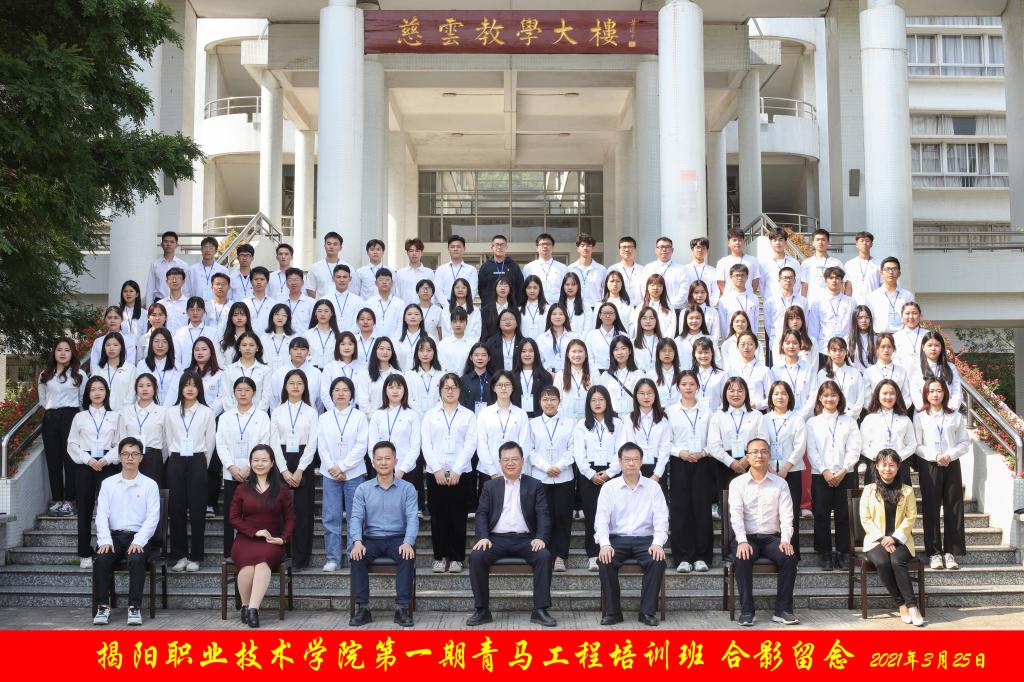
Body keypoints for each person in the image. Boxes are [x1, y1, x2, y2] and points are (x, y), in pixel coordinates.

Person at [466, 441, 556, 627]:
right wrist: (483, 537)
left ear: (522, 461)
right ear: (500, 462)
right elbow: (482, 514)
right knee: (476, 556)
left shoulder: (535, 485)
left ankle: (540, 610)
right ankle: (482, 610)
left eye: (515, 459)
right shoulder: (490, 486)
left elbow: (543, 514)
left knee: (544, 556)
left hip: (526, 539)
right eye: (506, 460)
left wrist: (540, 538)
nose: (510, 463)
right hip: (496, 539)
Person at [595, 441, 668, 627]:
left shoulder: (653, 487)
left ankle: (647, 612)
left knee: (657, 559)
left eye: (635, 459)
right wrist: (605, 544)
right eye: (627, 459)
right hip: (617, 539)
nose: (631, 463)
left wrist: (658, 543)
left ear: (641, 462)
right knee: (605, 560)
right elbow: (601, 520)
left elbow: (661, 519)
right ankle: (613, 613)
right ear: (620, 462)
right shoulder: (609, 488)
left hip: (645, 540)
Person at [727, 437, 799, 627]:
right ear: (747, 456)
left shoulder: (780, 483)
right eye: (754, 452)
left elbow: (787, 515)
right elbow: (736, 515)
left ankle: (783, 610)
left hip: (771, 538)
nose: (759, 455)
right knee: (742, 556)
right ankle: (747, 611)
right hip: (747, 537)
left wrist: (786, 540)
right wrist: (741, 540)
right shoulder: (737, 483)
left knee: (789, 557)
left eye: (764, 451)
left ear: (769, 454)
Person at [91, 437, 161, 626]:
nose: (130, 458)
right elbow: (101, 515)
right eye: (126, 454)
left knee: (137, 558)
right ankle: (103, 607)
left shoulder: (150, 485)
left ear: (141, 457)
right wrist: (105, 540)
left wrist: (139, 541)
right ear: (120, 457)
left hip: (139, 536)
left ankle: (134, 607)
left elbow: (153, 517)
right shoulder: (108, 483)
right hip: (113, 536)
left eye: (134, 454)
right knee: (102, 558)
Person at [349, 441, 419, 627]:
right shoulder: (363, 489)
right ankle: (363, 608)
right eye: (379, 459)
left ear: (395, 461)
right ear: (373, 462)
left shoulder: (407, 488)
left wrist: (408, 542)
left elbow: (413, 518)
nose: (383, 462)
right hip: (371, 539)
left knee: (406, 554)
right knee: (357, 555)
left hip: (398, 539)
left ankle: (401, 608)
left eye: (387, 458)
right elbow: (356, 518)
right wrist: (357, 541)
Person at [228, 444, 295, 628]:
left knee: (262, 562)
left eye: (264, 460)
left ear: (272, 463)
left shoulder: (281, 489)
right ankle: (245, 605)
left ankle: (253, 609)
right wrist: (254, 532)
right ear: (250, 462)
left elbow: (290, 518)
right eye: (256, 460)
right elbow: (233, 518)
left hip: (271, 540)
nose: (259, 464)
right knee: (248, 567)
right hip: (245, 539)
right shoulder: (242, 489)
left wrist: (283, 538)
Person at [859, 449, 925, 626]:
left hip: (901, 540)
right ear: (877, 466)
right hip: (875, 540)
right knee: (882, 562)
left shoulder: (907, 491)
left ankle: (913, 606)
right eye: (883, 465)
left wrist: (894, 538)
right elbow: (865, 518)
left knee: (896, 561)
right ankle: (902, 604)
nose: (887, 469)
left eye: (891, 465)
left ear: (898, 467)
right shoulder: (869, 490)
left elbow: (911, 517)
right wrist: (882, 538)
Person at [421, 373, 478, 574]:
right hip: (435, 473)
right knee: (438, 517)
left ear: (460, 390)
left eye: (454, 387)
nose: (450, 391)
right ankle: (440, 557)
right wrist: (437, 469)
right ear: (440, 390)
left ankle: (456, 558)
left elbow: (471, 444)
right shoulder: (430, 415)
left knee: (458, 517)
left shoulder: (468, 415)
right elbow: (426, 444)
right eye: (446, 387)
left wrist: (457, 469)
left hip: (461, 473)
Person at [164, 371, 217, 572]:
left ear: (199, 389)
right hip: (176, 459)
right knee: (176, 509)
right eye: (186, 385)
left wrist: (201, 464)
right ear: (181, 388)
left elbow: (210, 442)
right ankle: (180, 556)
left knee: (197, 510)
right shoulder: (170, 412)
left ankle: (195, 557)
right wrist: (175, 458)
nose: (190, 388)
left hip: (197, 460)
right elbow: (168, 439)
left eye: (194, 385)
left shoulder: (207, 412)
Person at [806, 380, 861, 571]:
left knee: (844, 515)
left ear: (839, 398)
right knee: (821, 514)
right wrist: (825, 471)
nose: (829, 399)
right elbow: (811, 450)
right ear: (820, 398)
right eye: (826, 395)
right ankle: (825, 553)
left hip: (846, 474)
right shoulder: (812, 423)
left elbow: (854, 448)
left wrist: (844, 469)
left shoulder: (849, 421)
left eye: (833, 395)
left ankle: (843, 553)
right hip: (821, 475)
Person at [68, 376, 122, 568]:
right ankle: (84, 553)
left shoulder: (115, 416)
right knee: (84, 509)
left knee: (109, 509)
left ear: (106, 392)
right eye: (93, 389)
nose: (97, 393)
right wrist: (88, 460)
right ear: (87, 394)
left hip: (108, 464)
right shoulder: (79, 417)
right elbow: (72, 444)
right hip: (85, 464)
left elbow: (120, 443)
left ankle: (108, 550)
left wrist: (106, 459)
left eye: (101, 389)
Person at [914, 378, 969, 570]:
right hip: (930, 465)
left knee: (954, 507)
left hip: (951, 464)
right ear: (926, 394)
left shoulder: (955, 416)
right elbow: (917, 444)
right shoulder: (920, 417)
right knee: (931, 508)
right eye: (931, 391)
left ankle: (951, 552)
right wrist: (935, 456)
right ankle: (934, 553)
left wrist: (949, 455)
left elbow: (964, 443)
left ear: (945, 393)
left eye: (938, 390)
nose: (935, 394)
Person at [316, 377, 369, 572]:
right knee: (331, 517)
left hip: (354, 473)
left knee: (356, 516)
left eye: (345, 390)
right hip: (330, 474)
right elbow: (321, 446)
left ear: (351, 394)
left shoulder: (359, 417)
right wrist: (333, 467)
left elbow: (361, 445)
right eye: (337, 390)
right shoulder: (324, 418)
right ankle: (333, 558)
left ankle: (355, 555)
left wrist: (343, 467)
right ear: (331, 394)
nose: (341, 393)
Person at [217, 377, 272, 560]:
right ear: (233, 393)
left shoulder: (262, 416)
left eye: (247, 390)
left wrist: (249, 467)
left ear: (254, 393)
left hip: (256, 473)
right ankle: (230, 553)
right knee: (231, 515)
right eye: (239, 390)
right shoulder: (225, 417)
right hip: (231, 473)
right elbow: (221, 445)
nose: (243, 393)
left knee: (255, 514)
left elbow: (264, 443)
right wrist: (231, 467)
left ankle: (255, 551)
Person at [270, 369, 319, 570]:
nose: (295, 386)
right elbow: (273, 442)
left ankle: (301, 558)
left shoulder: (311, 412)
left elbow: (313, 442)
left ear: (305, 387)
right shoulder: (277, 411)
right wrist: (283, 470)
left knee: (302, 511)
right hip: (281, 460)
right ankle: (280, 554)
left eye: (300, 383)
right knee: (279, 510)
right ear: (285, 386)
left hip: (303, 461)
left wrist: (299, 470)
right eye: (291, 383)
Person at [665, 370, 714, 573]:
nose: (688, 387)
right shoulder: (670, 412)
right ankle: (682, 557)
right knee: (680, 511)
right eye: (684, 384)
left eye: (691, 384)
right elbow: (666, 441)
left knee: (702, 510)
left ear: (697, 386)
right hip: (680, 462)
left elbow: (713, 439)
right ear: (678, 387)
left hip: (702, 462)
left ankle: (702, 557)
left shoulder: (707, 411)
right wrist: (681, 453)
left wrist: (704, 452)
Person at [573, 385, 623, 572]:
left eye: (601, 399)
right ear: (588, 403)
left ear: (607, 401)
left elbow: (621, 450)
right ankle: (593, 554)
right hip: (589, 475)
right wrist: (590, 474)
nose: (597, 403)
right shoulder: (582, 425)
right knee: (592, 515)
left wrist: (610, 472)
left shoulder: (617, 424)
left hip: (612, 473)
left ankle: (612, 550)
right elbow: (579, 454)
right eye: (593, 400)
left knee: (613, 514)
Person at [527, 387, 575, 573]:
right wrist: (546, 467)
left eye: (553, 399)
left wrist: (559, 466)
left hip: (564, 477)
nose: (549, 403)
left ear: (559, 401)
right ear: (539, 402)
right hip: (541, 477)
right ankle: (544, 554)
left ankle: (561, 556)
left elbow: (573, 449)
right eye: (545, 399)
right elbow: (530, 450)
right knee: (542, 516)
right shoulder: (532, 424)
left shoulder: (570, 423)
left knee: (563, 517)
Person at [764, 381, 808, 559]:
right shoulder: (764, 419)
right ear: (771, 397)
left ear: (790, 397)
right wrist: (768, 467)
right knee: (771, 511)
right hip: (767, 471)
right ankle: (774, 551)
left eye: (783, 393)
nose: (780, 397)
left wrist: (786, 467)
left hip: (792, 471)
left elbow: (800, 446)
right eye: (776, 393)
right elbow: (761, 442)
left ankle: (792, 553)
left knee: (791, 512)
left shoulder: (796, 419)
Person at [859, 379, 917, 486]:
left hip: (900, 466)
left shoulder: (905, 419)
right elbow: (862, 445)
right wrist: (877, 458)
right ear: (877, 395)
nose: (888, 397)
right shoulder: (869, 419)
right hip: (875, 466)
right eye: (885, 393)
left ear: (897, 396)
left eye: (892, 393)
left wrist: (897, 458)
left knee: (902, 496)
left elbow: (912, 444)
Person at [476, 371, 530, 483]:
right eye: (500, 385)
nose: (503, 388)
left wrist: (514, 468)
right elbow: (481, 445)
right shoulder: (484, 414)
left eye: (507, 384)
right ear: (493, 388)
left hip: (514, 472)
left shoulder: (521, 414)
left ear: (513, 387)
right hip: (488, 472)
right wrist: (492, 472)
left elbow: (524, 444)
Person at [118, 373, 166, 486]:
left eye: (148, 385)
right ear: (136, 389)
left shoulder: (163, 411)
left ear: (154, 388)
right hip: (130, 457)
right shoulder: (126, 411)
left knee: (152, 490)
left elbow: (166, 441)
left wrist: (158, 458)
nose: (144, 389)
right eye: (140, 386)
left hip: (153, 458)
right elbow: (122, 437)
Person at [910, 331, 964, 412]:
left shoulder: (950, 367)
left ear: (941, 347)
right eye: (929, 345)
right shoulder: (916, 368)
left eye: (937, 345)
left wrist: (949, 409)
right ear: (923, 347)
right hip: (924, 413)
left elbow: (957, 391)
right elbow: (914, 392)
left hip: (948, 412)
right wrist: (927, 410)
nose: (933, 349)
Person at [810, 267, 854, 351]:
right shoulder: (817, 302)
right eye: (831, 278)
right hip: (823, 348)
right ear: (825, 280)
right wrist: (814, 350)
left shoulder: (851, 302)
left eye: (837, 278)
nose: (834, 280)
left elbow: (853, 327)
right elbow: (813, 329)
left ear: (842, 281)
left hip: (845, 348)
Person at [866, 257, 914, 334]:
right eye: (887, 269)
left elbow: (911, 319)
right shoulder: (872, 297)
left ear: (899, 273)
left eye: (894, 269)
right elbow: (868, 320)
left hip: (901, 336)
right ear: (881, 273)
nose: (890, 272)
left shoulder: (907, 296)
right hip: (879, 337)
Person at [478, 234, 524, 310]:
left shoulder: (514, 266)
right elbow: (481, 288)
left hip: (510, 308)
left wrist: (516, 305)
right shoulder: (485, 267)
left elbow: (520, 287)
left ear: (506, 247)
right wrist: (487, 304)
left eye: (502, 245)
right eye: (497, 245)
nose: (499, 247)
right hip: (489, 309)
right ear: (492, 247)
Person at [93, 332, 136, 411]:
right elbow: (93, 393)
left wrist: (122, 413)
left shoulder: (131, 369)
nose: (111, 348)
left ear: (121, 347)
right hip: (101, 414)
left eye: (115, 345)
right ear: (104, 348)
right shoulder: (97, 370)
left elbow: (132, 395)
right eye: (108, 345)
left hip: (124, 414)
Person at [641, 236, 688, 308]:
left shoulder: (681, 269)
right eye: (661, 247)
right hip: (652, 308)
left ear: (672, 250)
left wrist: (671, 306)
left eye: (667, 247)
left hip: (675, 308)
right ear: (656, 250)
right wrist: (653, 304)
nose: (664, 249)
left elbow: (684, 290)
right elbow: (644, 288)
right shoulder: (648, 268)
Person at [512, 338, 553, 418]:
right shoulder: (511, 376)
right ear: (519, 353)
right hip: (516, 418)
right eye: (524, 351)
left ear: (536, 353)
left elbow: (548, 399)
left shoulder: (545, 376)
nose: (527, 354)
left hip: (539, 419)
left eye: (531, 351)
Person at [522, 232, 568, 304]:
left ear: (553, 247)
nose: (545, 246)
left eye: (548, 244)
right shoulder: (528, 267)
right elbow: (524, 289)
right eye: (542, 244)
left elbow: (567, 289)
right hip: (535, 306)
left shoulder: (562, 267)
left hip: (557, 307)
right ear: (537, 248)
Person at [146, 231, 190, 305]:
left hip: (178, 302)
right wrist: (149, 307)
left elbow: (186, 288)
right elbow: (150, 288)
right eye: (166, 241)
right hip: (159, 302)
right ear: (161, 244)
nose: (169, 244)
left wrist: (186, 304)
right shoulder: (155, 265)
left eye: (172, 242)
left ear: (176, 245)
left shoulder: (183, 265)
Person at [800, 228, 843, 302]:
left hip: (832, 302)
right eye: (817, 240)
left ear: (828, 242)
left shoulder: (836, 263)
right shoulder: (806, 263)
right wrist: (804, 304)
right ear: (813, 243)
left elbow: (841, 285)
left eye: (823, 240)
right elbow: (804, 286)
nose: (820, 242)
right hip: (812, 302)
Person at [433, 234, 479, 304]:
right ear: (448, 249)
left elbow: (473, 290)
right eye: (452, 247)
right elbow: (438, 290)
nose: (455, 249)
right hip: (445, 306)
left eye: (458, 247)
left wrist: (464, 306)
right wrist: (447, 306)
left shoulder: (471, 270)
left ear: (464, 249)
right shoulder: (441, 269)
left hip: (465, 306)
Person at [306, 232, 353, 299]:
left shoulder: (349, 267)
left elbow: (353, 290)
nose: (331, 247)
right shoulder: (315, 267)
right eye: (329, 244)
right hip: (322, 304)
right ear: (324, 246)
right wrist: (320, 302)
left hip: (343, 303)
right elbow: (310, 290)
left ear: (340, 248)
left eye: (335, 244)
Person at [715, 228, 762, 296]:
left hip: (747, 297)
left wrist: (749, 294)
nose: (737, 242)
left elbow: (755, 281)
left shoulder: (753, 260)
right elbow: (721, 282)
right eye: (734, 240)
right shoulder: (722, 262)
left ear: (744, 242)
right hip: (729, 298)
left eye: (740, 240)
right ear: (728, 243)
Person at [759, 228, 803, 298]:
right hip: (770, 301)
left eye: (780, 240)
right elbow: (761, 284)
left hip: (790, 301)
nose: (777, 243)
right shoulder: (764, 263)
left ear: (785, 242)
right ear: (770, 243)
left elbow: (797, 283)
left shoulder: (794, 263)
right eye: (774, 240)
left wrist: (791, 298)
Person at [718, 264, 761, 336]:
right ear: (731, 277)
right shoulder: (724, 299)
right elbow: (723, 323)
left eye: (742, 275)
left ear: (747, 277)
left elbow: (756, 321)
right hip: (731, 338)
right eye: (737, 275)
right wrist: (727, 339)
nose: (740, 278)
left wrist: (754, 337)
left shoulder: (754, 298)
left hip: (749, 337)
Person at [365, 268, 405, 341]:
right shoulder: (369, 303)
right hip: (373, 342)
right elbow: (367, 325)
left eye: (387, 280)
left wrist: (393, 343)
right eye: (381, 280)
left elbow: (401, 326)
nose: (384, 282)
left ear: (392, 283)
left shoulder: (400, 304)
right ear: (376, 283)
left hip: (394, 343)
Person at [568, 232, 607, 306]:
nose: (585, 248)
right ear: (578, 249)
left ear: (593, 248)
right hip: (575, 307)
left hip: (595, 307)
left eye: (588, 245)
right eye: (582, 245)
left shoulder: (602, 270)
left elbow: (605, 292)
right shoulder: (570, 269)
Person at [843, 231, 882, 305]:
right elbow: (848, 287)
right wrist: (847, 304)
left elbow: (882, 285)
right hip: (855, 304)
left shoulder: (879, 264)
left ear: (871, 244)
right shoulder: (849, 264)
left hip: (875, 303)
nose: (864, 243)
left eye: (867, 240)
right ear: (856, 244)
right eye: (861, 241)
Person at [395, 237, 436, 305]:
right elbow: (397, 293)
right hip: (405, 309)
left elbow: (433, 294)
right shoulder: (400, 273)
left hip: (424, 309)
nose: (414, 253)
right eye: (411, 251)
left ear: (422, 253)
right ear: (407, 253)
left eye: (417, 251)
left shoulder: (429, 273)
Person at [187, 236, 229, 302]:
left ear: (216, 251)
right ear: (201, 250)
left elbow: (227, 291)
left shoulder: (223, 270)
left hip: (216, 305)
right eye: (205, 247)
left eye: (211, 248)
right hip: (196, 306)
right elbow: (187, 290)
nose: (208, 250)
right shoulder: (192, 270)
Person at [326, 263, 365, 334]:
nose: (342, 280)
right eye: (338, 277)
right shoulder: (326, 299)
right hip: (330, 337)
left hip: (352, 338)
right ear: (333, 279)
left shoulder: (358, 301)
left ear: (350, 279)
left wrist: (347, 336)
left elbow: (359, 322)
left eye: (345, 277)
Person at [683, 237, 720, 307]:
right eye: (698, 247)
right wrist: (688, 305)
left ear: (707, 250)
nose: (700, 250)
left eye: (703, 247)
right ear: (692, 249)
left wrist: (709, 305)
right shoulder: (684, 269)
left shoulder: (713, 270)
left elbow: (716, 291)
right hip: (689, 307)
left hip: (708, 307)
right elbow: (683, 289)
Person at [607, 235, 645, 305]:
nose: (627, 250)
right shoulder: (613, 269)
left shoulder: (642, 270)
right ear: (619, 250)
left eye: (630, 247)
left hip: (638, 307)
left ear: (635, 250)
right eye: (624, 247)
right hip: (618, 306)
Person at [437, 307, 473, 374]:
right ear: (451, 323)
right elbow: (440, 365)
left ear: (466, 323)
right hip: (447, 378)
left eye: (461, 321)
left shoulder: (472, 343)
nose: (458, 325)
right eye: (455, 321)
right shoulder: (443, 344)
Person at [242, 266, 274, 333]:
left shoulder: (273, 303)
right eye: (256, 279)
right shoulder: (244, 302)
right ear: (251, 281)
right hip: (248, 338)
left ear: (267, 282)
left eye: (262, 279)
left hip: (268, 337)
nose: (259, 282)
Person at [158, 267, 189, 333]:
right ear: (167, 282)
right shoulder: (160, 304)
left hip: (184, 338)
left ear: (183, 281)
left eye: (178, 278)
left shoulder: (189, 303)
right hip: (165, 338)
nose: (174, 281)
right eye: (172, 278)